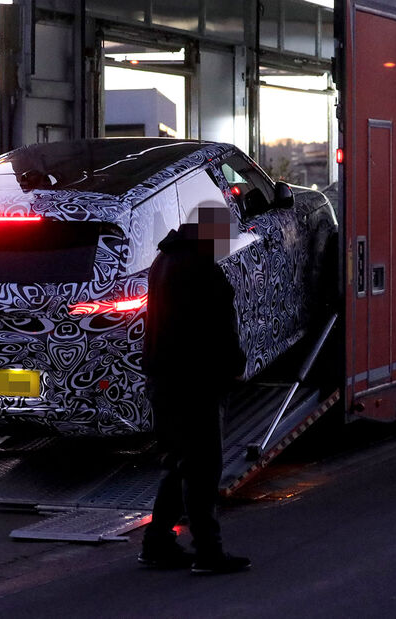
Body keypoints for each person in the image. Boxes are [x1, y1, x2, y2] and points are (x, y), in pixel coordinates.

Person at [138, 201, 250, 575]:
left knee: (176, 464)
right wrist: (234, 366)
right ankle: (208, 552)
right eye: (224, 237)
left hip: (162, 380)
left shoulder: (164, 262)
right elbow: (217, 330)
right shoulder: (202, 270)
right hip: (195, 384)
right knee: (203, 469)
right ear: (210, 232)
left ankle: (157, 544)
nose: (226, 245)